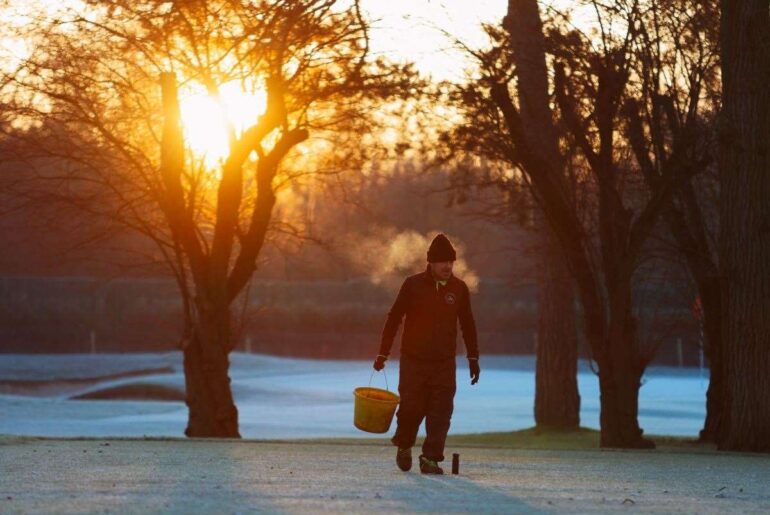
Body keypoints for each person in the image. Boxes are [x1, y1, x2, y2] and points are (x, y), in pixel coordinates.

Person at [373, 233, 480, 474]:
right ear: (430, 262)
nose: (448, 267)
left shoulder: (459, 288)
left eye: (451, 262)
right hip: (414, 361)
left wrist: (473, 358)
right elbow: (394, 317)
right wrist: (383, 352)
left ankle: (430, 459)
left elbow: (468, 324)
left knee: (441, 412)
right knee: (411, 408)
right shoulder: (412, 285)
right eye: (443, 262)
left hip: (443, 362)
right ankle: (404, 444)